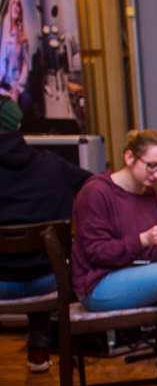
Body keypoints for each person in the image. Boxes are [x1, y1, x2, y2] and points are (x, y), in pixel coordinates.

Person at [71, 130, 157, 341]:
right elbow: (97, 254)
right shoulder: (96, 192)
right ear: (129, 158)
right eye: (151, 166)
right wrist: (144, 240)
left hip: (139, 280)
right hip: (98, 285)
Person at [0, 94, 89, 371]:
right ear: (18, 126)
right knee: (41, 260)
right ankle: (39, 349)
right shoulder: (52, 164)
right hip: (51, 283)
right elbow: (94, 186)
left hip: (2, 286)